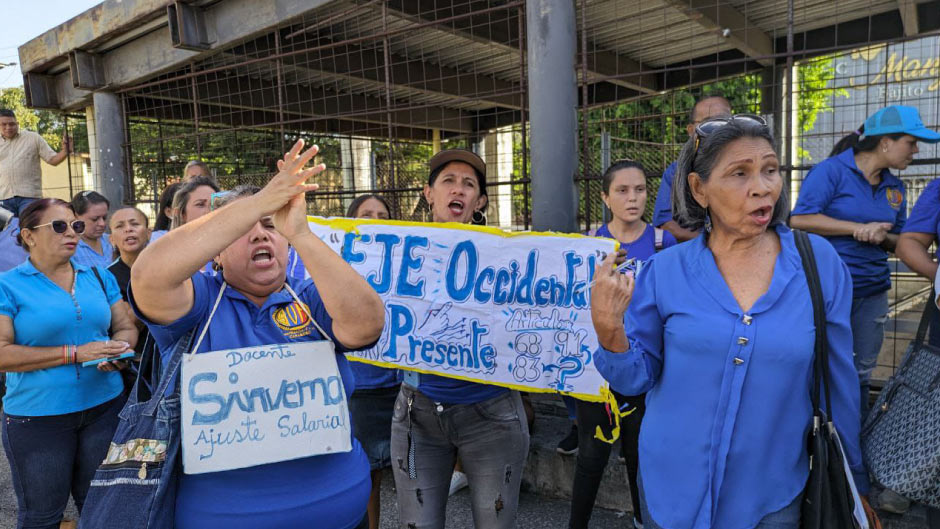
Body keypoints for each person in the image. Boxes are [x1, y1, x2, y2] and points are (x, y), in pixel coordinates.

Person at [590, 115, 879, 529]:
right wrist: (609, 329)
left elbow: (839, 382)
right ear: (698, 189)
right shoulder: (665, 271)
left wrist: (855, 480)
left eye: (770, 170)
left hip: (772, 497)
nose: (762, 186)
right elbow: (634, 380)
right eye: (739, 173)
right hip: (670, 491)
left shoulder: (819, 264)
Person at [128, 140, 384, 528]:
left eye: (270, 227)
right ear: (214, 251)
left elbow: (368, 324)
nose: (261, 235)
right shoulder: (198, 304)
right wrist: (260, 202)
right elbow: (148, 278)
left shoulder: (310, 297)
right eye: (244, 228)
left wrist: (301, 234)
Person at [390, 149, 530, 529]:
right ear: (428, 193)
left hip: (491, 413)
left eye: (469, 184)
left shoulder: (506, 255)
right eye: (448, 181)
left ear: (480, 201)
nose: (459, 189)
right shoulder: (396, 252)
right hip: (416, 414)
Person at [0, 198, 136, 529]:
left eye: (76, 226)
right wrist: (74, 353)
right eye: (59, 226)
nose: (71, 233)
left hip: (105, 409)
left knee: (101, 510)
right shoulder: (7, 285)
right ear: (28, 235)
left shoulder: (98, 276)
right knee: (42, 516)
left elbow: (127, 327)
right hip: (39, 419)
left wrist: (119, 353)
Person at [790, 106, 926, 428]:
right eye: (911, 142)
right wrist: (854, 228)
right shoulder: (831, 172)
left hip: (872, 291)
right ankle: (811, 438)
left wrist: (882, 236)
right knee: (816, 365)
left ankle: (852, 447)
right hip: (827, 291)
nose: (916, 150)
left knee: (861, 371)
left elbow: (901, 239)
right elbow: (799, 219)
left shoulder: (896, 188)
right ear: (885, 143)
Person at [568, 161, 676, 529]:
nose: (633, 198)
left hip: (644, 368)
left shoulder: (664, 241)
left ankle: (641, 519)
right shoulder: (587, 244)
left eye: (640, 189)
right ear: (605, 197)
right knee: (591, 454)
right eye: (622, 191)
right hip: (596, 368)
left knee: (638, 452)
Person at [346, 194, 398, 529]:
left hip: (397, 388)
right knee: (364, 479)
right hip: (359, 389)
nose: (375, 219)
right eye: (367, 214)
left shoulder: (406, 264)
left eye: (382, 215)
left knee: (395, 477)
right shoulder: (338, 265)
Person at [651, 96, 731, 243]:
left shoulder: (749, 166)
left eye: (723, 121)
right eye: (707, 122)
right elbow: (666, 225)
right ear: (690, 130)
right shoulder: (675, 173)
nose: (716, 128)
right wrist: (711, 242)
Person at [107, 206, 155, 385]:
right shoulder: (108, 277)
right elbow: (128, 324)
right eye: (120, 226)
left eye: (135, 224)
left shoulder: (165, 266)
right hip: (135, 366)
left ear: (149, 233)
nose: (128, 229)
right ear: (112, 239)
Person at [0, 109, 72, 216]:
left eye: (11, 124)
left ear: (17, 123)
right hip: (3, 198)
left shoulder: (33, 138)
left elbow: (52, 160)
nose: (8, 127)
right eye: (3, 124)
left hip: (29, 197)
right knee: (6, 232)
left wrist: (65, 151)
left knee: (31, 229)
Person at [71, 191, 114, 269]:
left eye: (104, 218)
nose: (102, 224)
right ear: (76, 217)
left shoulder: (112, 241)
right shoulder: (71, 248)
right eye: (95, 219)